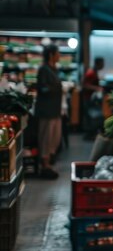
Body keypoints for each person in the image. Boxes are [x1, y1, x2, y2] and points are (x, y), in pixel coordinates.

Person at [35, 46, 62, 179]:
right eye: (58, 53)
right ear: (51, 55)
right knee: (46, 138)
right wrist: (56, 88)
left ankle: (49, 163)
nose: (59, 55)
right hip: (46, 110)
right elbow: (42, 88)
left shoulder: (53, 69)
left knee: (54, 138)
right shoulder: (43, 70)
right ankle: (44, 166)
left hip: (55, 110)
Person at [82, 57, 104, 139]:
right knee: (90, 116)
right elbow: (85, 85)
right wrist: (97, 88)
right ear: (98, 64)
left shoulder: (94, 71)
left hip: (90, 98)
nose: (103, 65)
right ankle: (89, 134)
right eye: (102, 63)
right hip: (88, 98)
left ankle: (91, 133)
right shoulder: (91, 73)